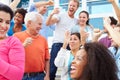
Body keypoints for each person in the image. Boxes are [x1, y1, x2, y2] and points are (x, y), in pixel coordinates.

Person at [46, 0, 79, 79]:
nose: (71, 7)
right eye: (70, 5)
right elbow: (48, 23)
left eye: (73, 6)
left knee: (69, 68)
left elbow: (85, 24)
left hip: (70, 46)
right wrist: (52, 13)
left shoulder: (76, 21)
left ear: (77, 8)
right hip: (58, 44)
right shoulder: (61, 15)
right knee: (52, 69)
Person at [14, 12, 50, 80]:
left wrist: (47, 75)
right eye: (39, 24)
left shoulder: (43, 40)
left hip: (40, 76)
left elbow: (47, 59)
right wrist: (23, 45)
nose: (41, 27)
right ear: (29, 23)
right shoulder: (16, 36)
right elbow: (10, 55)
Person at [0, 3, 25, 80]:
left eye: (7, 22)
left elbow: (17, 75)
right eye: (0, 21)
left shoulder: (13, 42)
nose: (4, 26)